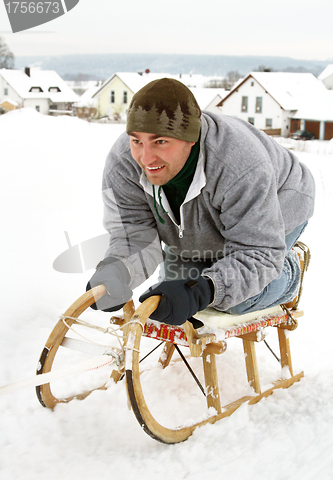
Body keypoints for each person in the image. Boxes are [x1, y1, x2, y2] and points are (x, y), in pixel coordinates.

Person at [87, 78, 315, 326]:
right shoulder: (123, 163)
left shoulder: (240, 164)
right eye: (136, 140)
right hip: (197, 228)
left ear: (190, 137)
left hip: (277, 209)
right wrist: (119, 270)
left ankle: (288, 272)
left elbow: (256, 251)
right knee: (174, 286)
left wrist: (205, 290)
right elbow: (134, 233)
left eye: (160, 141)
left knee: (235, 297)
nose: (145, 157)